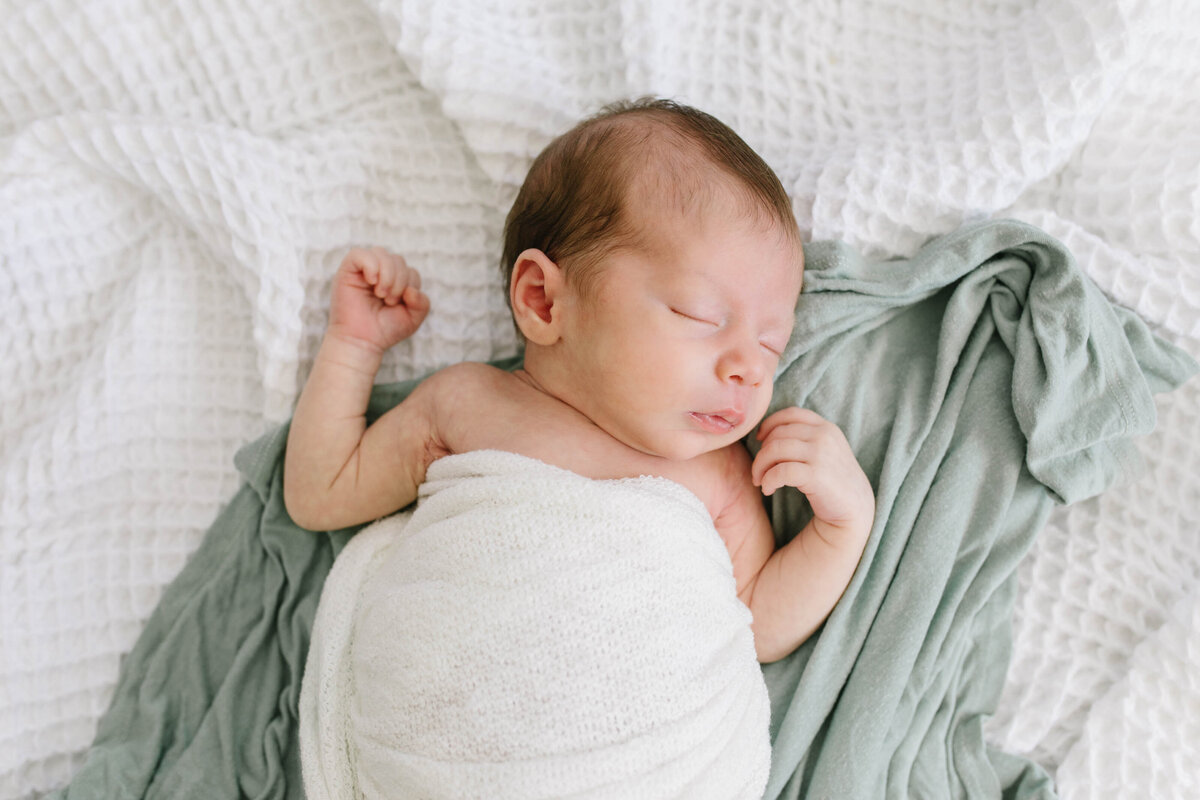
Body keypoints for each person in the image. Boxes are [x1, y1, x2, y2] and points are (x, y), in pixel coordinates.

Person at [283, 97, 875, 664]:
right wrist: (354, 346)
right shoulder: (466, 405)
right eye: (699, 315)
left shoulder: (718, 476)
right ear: (543, 301)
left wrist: (843, 527)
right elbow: (321, 493)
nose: (750, 367)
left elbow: (757, 624)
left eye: (772, 343)